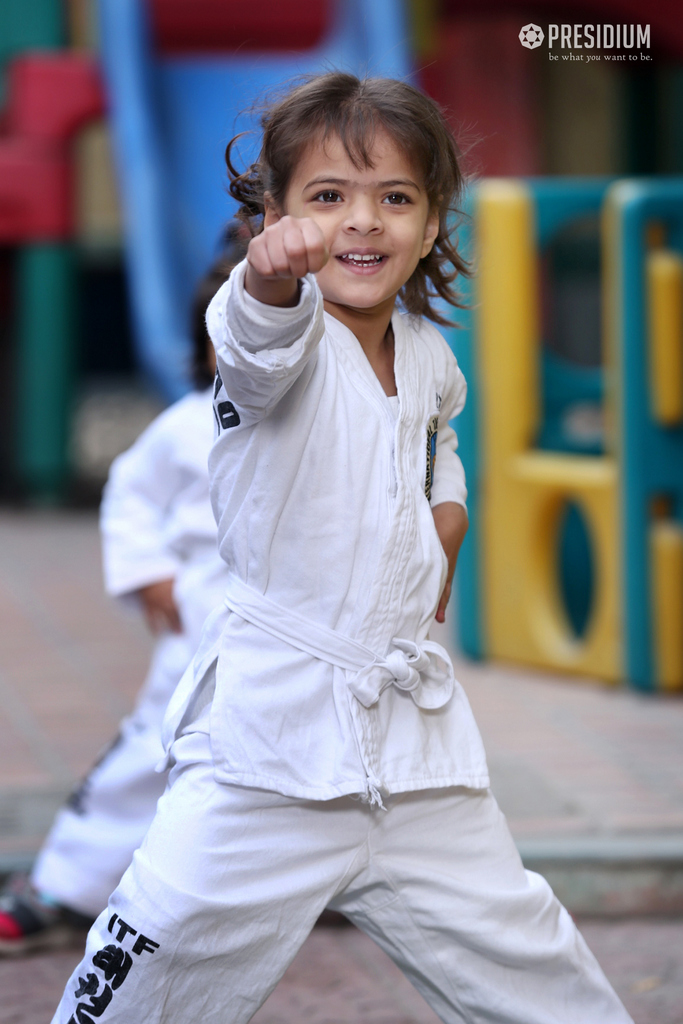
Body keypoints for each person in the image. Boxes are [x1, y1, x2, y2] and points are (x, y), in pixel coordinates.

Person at [52, 73, 632, 1023]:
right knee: (150, 971)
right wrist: (271, 273)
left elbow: (438, 433)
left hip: (412, 760)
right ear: (275, 212)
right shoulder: (272, 337)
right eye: (327, 198)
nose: (361, 223)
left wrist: (449, 504)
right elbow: (256, 336)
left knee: (531, 963)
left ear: (434, 219)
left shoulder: (427, 352)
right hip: (267, 755)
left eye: (395, 198)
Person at [0, 244, 244, 955]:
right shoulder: (185, 426)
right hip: (205, 625)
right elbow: (130, 496)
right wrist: (146, 571)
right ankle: (68, 885)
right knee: (150, 754)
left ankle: (321, 885)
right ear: (206, 349)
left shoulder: (337, 424)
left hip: (309, 639)